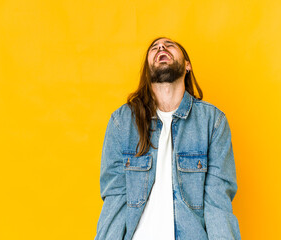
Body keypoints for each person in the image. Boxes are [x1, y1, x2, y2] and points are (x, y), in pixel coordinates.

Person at [94, 37, 241, 240]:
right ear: (147, 70)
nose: (161, 47)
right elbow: (115, 200)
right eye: (154, 48)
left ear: (187, 65)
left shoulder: (213, 122)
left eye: (169, 45)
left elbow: (218, 204)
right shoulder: (122, 122)